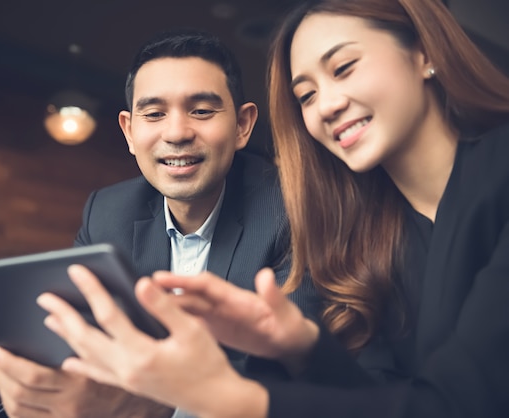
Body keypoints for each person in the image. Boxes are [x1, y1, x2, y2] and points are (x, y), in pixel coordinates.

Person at [37, 0, 509, 417]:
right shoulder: (377, 226)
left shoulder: (493, 173)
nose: (326, 104)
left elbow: (462, 404)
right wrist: (304, 347)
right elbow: (387, 396)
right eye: (306, 94)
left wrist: (222, 398)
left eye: (343, 67)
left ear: (424, 52)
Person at [0, 29, 317, 418]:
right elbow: (66, 340)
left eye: (201, 110)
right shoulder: (108, 211)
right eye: (154, 113)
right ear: (129, 130)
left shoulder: (291, 210)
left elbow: (297, 383)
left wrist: (153, 402)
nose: (177, 132)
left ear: (243, 125)